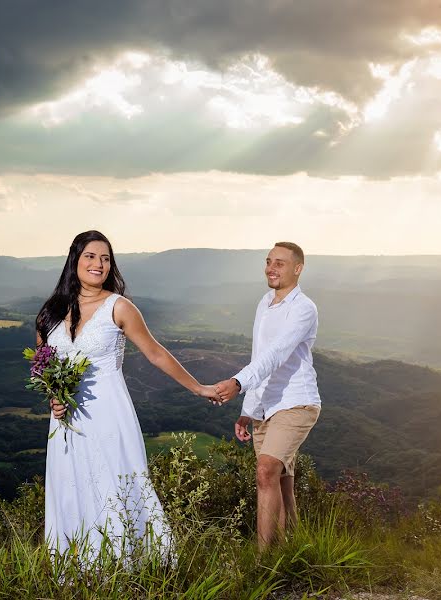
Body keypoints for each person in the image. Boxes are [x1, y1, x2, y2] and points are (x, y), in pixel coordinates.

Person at [40, 230, 217, 564]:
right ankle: (78, 569)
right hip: (64, 422)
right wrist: (53, 398)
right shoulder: (50, 311)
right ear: (74, 259)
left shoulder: (119, 307)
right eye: (91, 256)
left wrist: (199, 387)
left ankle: (127, 568)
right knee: (71, 487)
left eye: (105, 258)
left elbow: (156, 353)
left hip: (108, 413)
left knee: (113, 486)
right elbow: (43, 365)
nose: (99, 264)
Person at [212, 241, 320, 549]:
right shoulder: (264, 302)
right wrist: (249, 409)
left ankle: (262, 563)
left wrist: (237, 382)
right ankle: (294, 553)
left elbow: (276, 354)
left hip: (296, 402)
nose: (271, 268)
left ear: (298, 269)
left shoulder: (303, 309)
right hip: (265, 406)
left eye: (280, 263)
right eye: (269, 261)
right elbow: (258, 354)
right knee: (282, 484)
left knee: (265, 471)